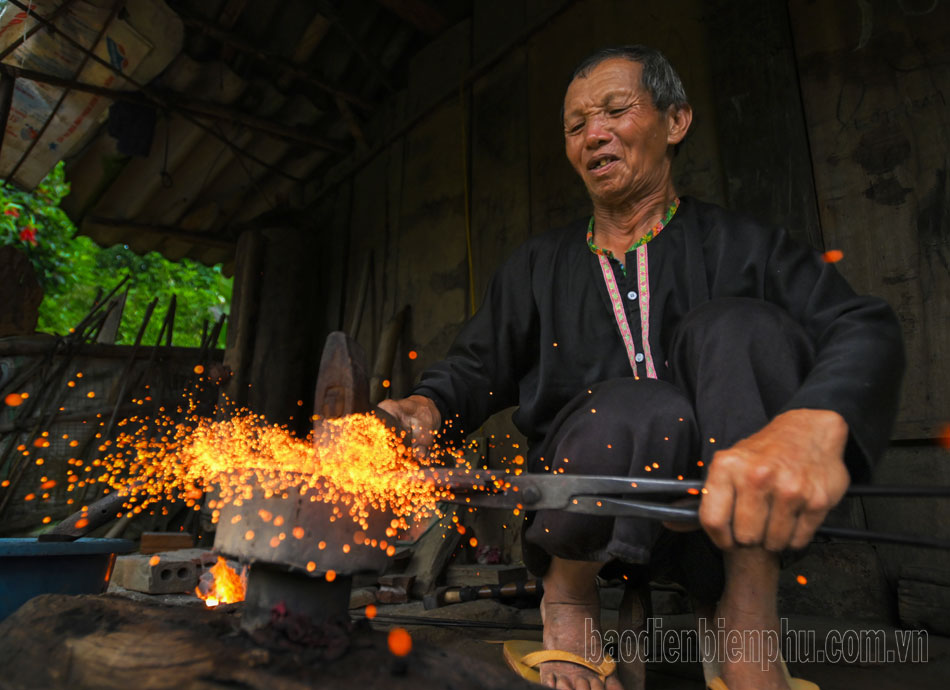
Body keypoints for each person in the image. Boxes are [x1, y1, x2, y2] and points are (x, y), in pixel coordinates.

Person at [380, 45, 904, 690]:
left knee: (739, 325)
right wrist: (421, 409)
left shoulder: (746, 245)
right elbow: (474, 365)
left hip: (718, 509)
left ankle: (747, 609)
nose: (593, 133)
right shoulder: (537, 265)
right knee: (640, 404)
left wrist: (814, 423)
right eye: (576, 126)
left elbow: (862, 324)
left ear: (675, 121)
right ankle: (569, 605)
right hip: (580, 502)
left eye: (615, 110)